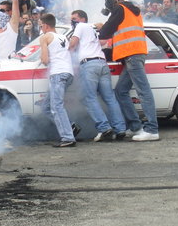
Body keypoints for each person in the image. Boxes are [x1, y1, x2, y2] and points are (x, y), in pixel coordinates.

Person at [97, 0, 159, 141]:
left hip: (132, 55)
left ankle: (152, 129)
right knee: (121, 91)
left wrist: (101, 25)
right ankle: (135, 127)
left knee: (143, 91)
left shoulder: (120, 9)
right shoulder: (132, 9)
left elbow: (105, 32)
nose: (107, 3)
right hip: (133, 55)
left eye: (108, 0)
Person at [70, 9, 126, 142]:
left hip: (89, 65)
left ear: (82, 19)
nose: (72, 21)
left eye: (74, 18)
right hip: (102, 64)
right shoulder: (92, 30)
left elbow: (72, 45)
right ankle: (120, 129)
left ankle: (104, 128)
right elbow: (102, 40)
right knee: (110, 99)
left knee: (89, 98)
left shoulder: (81, 26)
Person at [39, 13, 76, 148]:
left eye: (41, 25)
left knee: (56, 107)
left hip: (58, 74)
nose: (40, 28)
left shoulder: (45, 37)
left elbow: (45, 60)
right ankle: (71, 127)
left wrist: (42, 57)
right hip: (68, 73)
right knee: (46, 107)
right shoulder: (64, 37)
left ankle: (67, 137)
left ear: (46, 25)